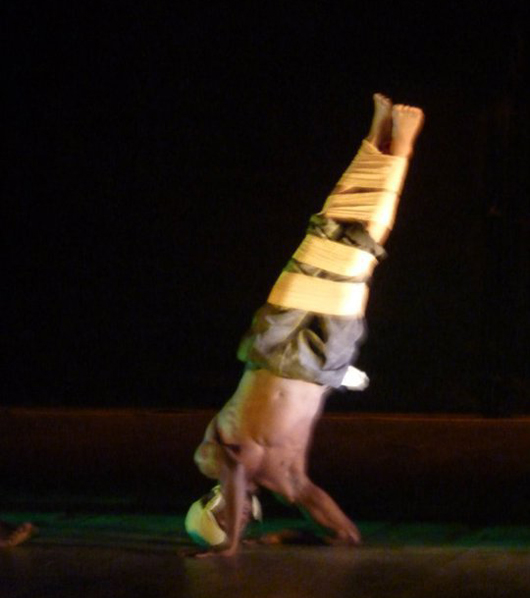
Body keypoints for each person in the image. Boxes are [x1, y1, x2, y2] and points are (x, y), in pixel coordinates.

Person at [186, 94, 424, 556]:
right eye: (237, 523)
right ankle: (401, 152)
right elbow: (345, 536)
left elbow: (236, 469)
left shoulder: (210, 460)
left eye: (225, 517)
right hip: (319, 363)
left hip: (271, 349)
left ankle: (375, 137)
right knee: (359, 251)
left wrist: (230, 546)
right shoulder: (288, 482)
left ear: (213, 506)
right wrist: (289, 536)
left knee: (323, 237)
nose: (237, 515)